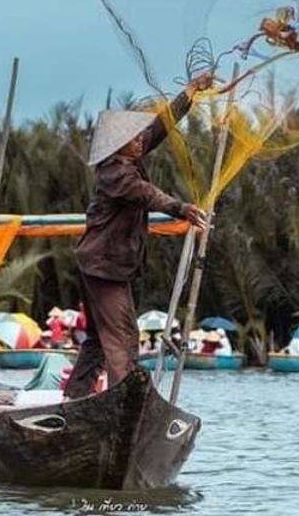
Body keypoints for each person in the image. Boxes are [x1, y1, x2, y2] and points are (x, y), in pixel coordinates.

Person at [64, 72, 213, 400]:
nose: (142, 140)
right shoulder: (115, 172)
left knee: (99, 340)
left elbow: (159, 127)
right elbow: (146, 193)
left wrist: (189, 92)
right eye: (135, 138)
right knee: (123, 338)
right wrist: (181, 208)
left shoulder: (127, 157)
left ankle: (74, 399)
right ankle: (123, 405)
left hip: (101, 264)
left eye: (141, 137)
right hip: (103, 267)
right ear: (120, 145)